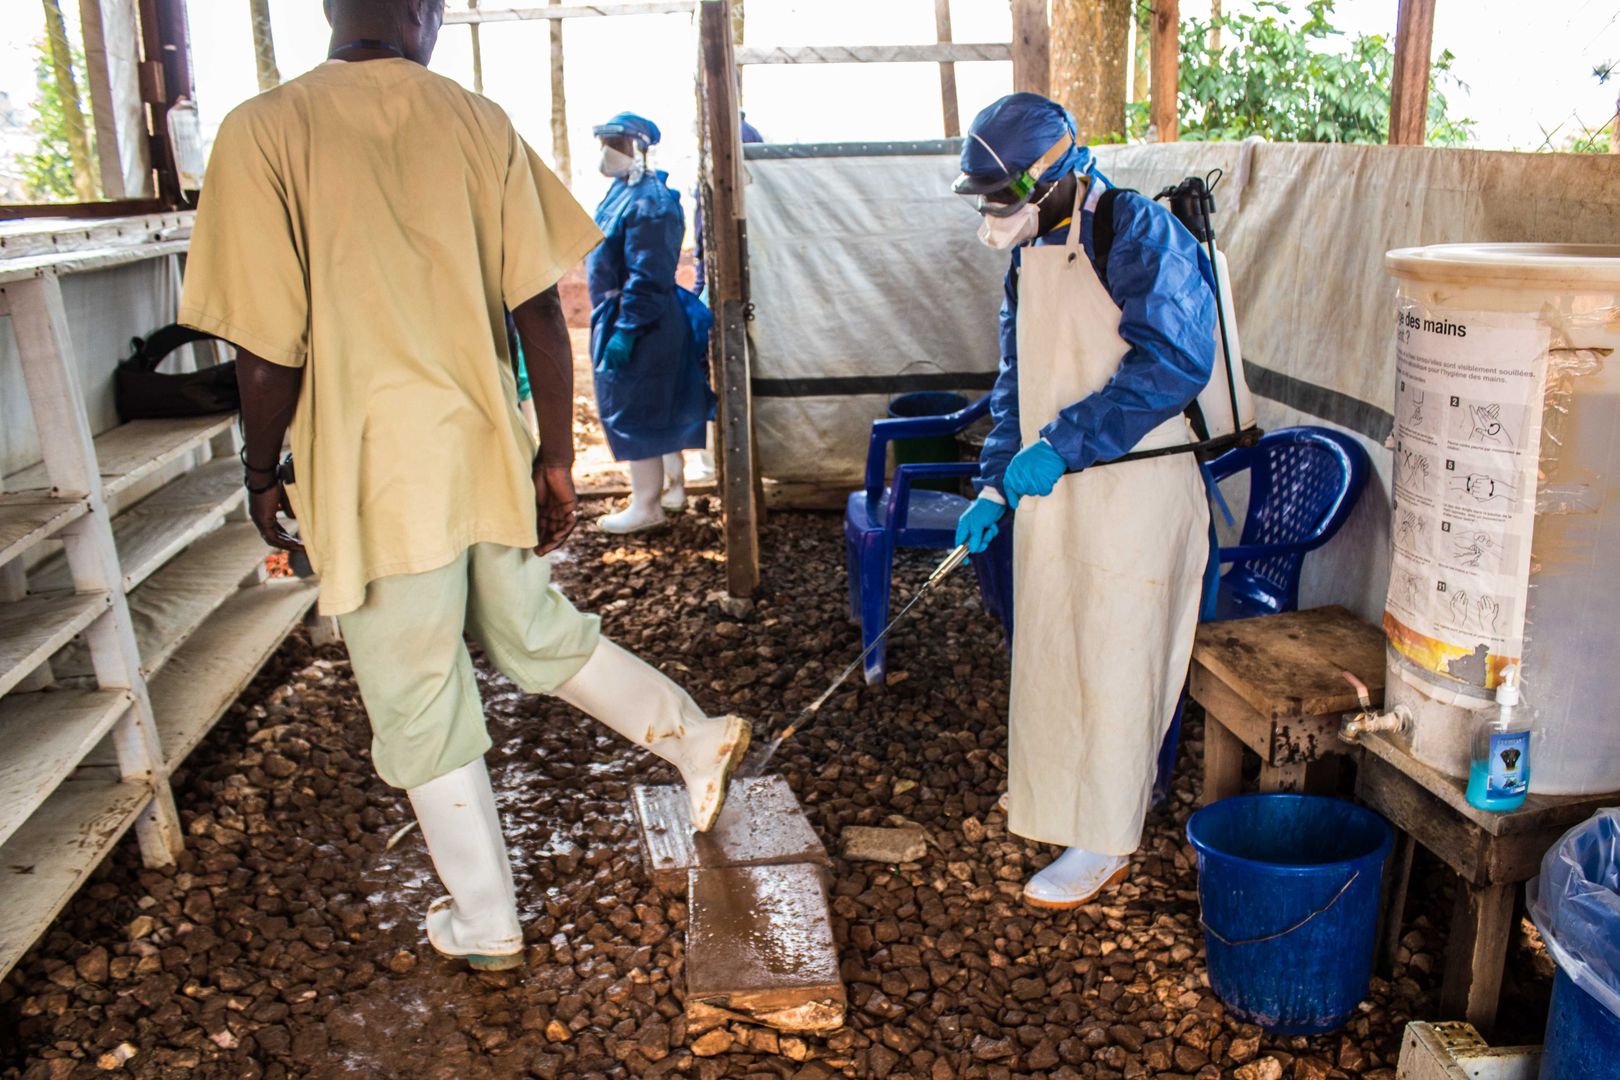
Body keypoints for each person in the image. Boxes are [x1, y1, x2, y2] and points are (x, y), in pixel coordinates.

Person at [178, 0, 749, 972]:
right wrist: (553, 457)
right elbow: (537, 309)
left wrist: (261, 465)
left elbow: (265, 352)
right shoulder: (475, 122)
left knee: (414, 688)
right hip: (479, 441)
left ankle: (486, 920)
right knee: (531, 631)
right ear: (423, 14)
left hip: (372, 464)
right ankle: (693, 738)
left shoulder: (264, 130)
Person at [951, 93, 1216, 910]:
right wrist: (997, 479)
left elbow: (1175, 361)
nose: (997, 215)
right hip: (1055, 490)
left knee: (1117, 657)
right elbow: (1015, 382)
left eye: (1004, 197)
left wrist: (1064, 442)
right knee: (1058, 646)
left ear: (1053, 171)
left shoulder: (1131, 232)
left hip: (1134, 491)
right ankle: (1063, 801)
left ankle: (1108, 836)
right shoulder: (1031, 249)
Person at [587, 112, 715, 532]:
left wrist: (626, 330)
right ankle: (668, 490)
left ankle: (647, 507)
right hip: (627, 315)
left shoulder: (651, 202)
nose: (609, 152)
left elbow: (648, 274)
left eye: (619, 143)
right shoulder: (623, 192)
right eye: (606, 142)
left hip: (642, 322)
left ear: (641, 147)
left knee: (637, 408)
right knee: (655, 405)